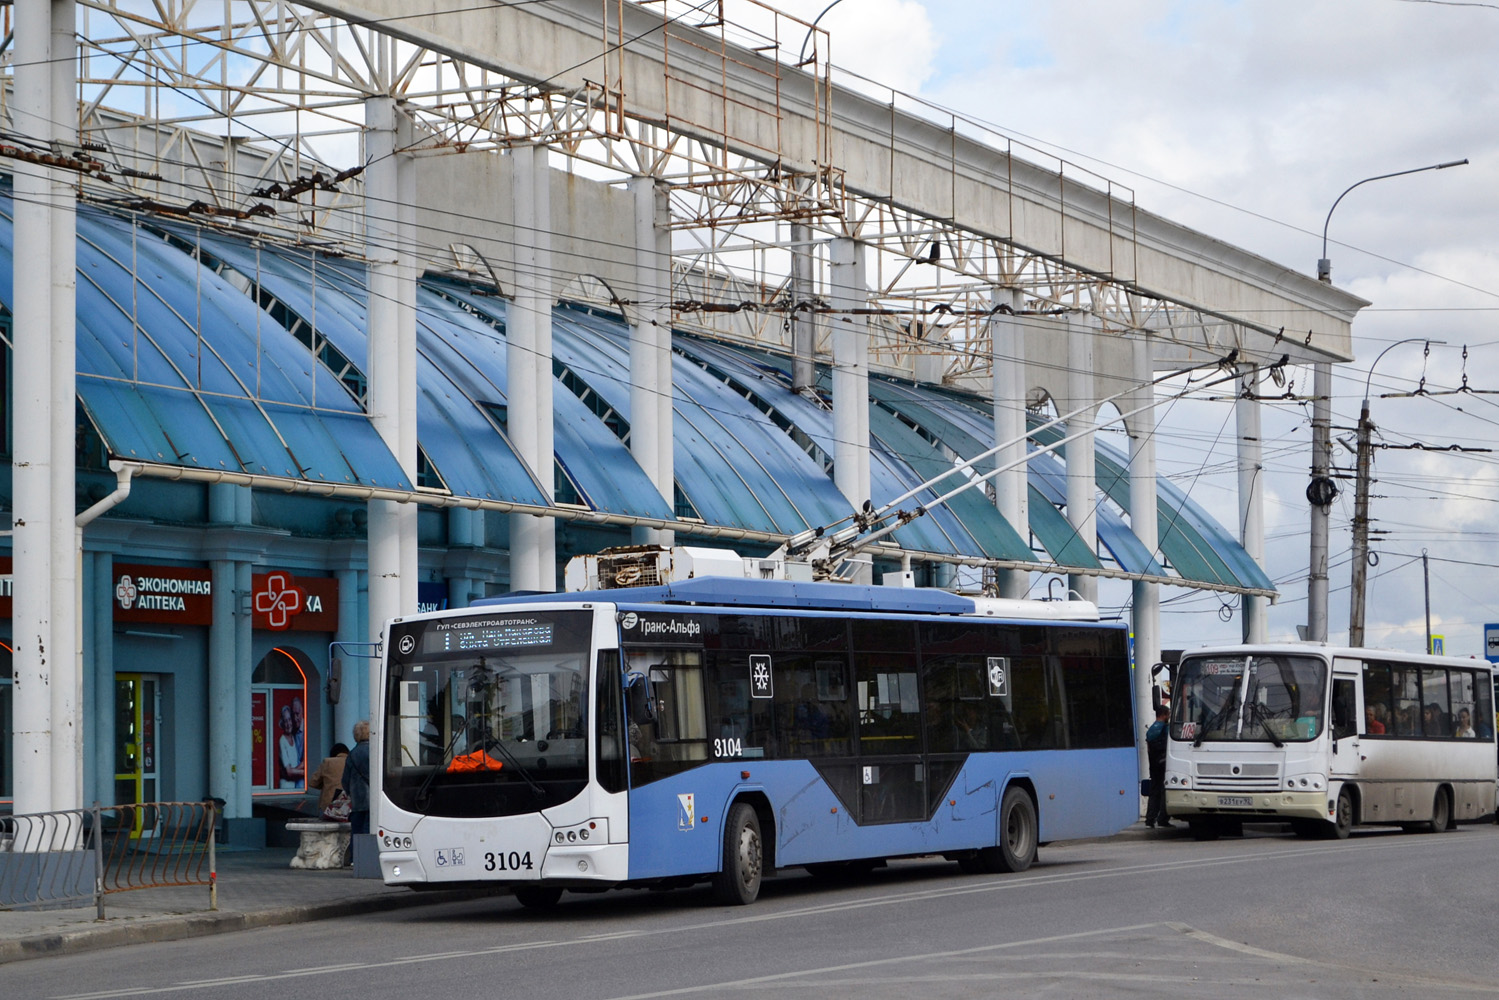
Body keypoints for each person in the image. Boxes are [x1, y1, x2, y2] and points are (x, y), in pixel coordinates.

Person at [1144, 705, 1172, 829]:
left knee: (1154, 791)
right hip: (1164, 764)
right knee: (1165, 791)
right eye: (1168, 714)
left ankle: (1150, 819)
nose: (1169, 716)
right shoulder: (1166, 728)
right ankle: (1163, 819)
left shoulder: (1150, 730)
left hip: (1153, 764)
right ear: (1164, 715)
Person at [342, 720, 372, 835]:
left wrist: (350, 793)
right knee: (369, 833)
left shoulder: (352, 754)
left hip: (357, 802)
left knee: (357, 834)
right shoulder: (376, 752)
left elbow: (345, 780)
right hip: (374, 801)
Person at [307, 742, 350, 815]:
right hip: (349, 804)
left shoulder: (327, 762)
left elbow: (313, 782)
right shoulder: (352, 762)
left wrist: (326, 784)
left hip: (329, 805)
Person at [276, 705, 305, 788]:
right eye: (285, 721)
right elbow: (289, 772)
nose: (288, 724)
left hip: (295, 785)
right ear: (282, 723)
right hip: (286, 786)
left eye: (289, 720)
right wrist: (304, 772)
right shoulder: (282, 741)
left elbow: (292, 770)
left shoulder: (293, 736)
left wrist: (298, 768)